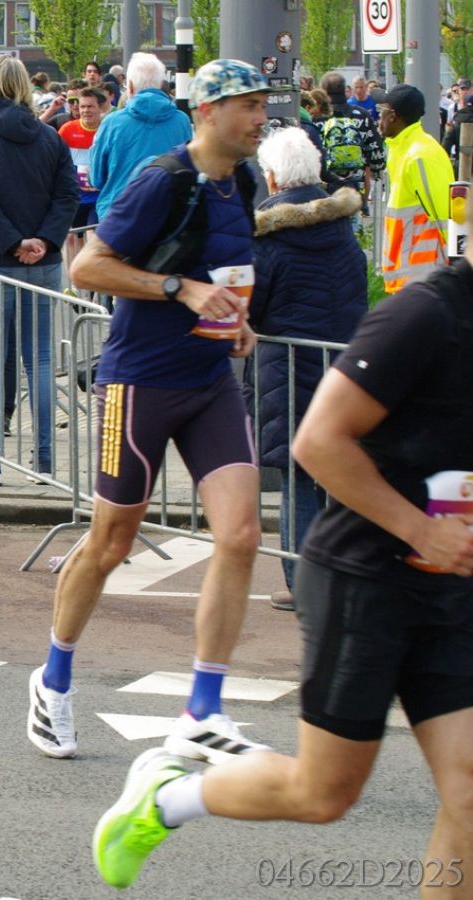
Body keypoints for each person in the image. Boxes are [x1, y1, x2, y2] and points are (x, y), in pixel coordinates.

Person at [92, 203, 473, 899]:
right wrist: (421, 529)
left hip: (450, 591)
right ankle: (166, 797)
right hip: (366, 579)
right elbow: (317, 442)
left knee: (469, 793)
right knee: (322, 794)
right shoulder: (424, 315)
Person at [28, 60, 272, 765]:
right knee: (111, 543)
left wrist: (238, 320)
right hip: (138, 383)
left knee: (241, 535)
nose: (260, 117)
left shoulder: (244, 182)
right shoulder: (162, 179)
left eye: (263, 104)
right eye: (247, 105)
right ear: (207, 112)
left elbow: (225, 269)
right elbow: (87, 267)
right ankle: (53, 681)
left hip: (210, 380)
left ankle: (203, 709)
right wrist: (179, 289)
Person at [247, 127, 366, 613]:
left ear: (273, 178)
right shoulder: (343, 228)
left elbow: (252, 307)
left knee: (297, 476)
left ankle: (303, 583)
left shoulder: (269, 237)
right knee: (337, 474)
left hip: (288, 367)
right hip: (341, 365)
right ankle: (342, 577)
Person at [0, 54, 77, 485]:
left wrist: (11, 241)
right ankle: (43, 461)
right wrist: (43, 239)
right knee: (40, 361)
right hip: (44, 262)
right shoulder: (50, 137)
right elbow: (67, 195)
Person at [90, 52, 192, 222]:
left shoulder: (112, 123)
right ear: (161, 84)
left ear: (129, 86)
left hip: (119, 216)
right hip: (168, 217)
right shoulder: (182, 121)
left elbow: (96, 178)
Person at [377, 84, 453, 294]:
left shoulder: (420, 155)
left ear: (392, 116)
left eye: (381, 111)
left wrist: (456, 269)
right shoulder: (403, 149)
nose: (378, 118)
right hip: (412, 274)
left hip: (424, 276)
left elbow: (443, 216)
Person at [319, 71, 384, 220]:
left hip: (324, 188)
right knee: (352, 227)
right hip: (354, 188)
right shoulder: (361, 115)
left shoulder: (318, 117)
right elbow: (375, 151)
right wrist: (376, 171)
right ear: (344, 90)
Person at [58, 86, 104, 237]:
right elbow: (55, 160)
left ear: (100, 108)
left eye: (90, 106)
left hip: (99, 197)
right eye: (82, 106)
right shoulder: (67, 129)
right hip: (74, 196)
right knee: (73, 236)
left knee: (93, 234)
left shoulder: (107, 129)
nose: (85, 111)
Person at [442, 78, 473, 159]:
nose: (465, 92)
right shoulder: (452, 107)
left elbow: (446, 144)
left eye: (467, 89)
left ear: (471, 90)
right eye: (463, 89)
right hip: (457, 152)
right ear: (459, 90)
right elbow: (448, 124)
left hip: (460, 157)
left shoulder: (457, 120)